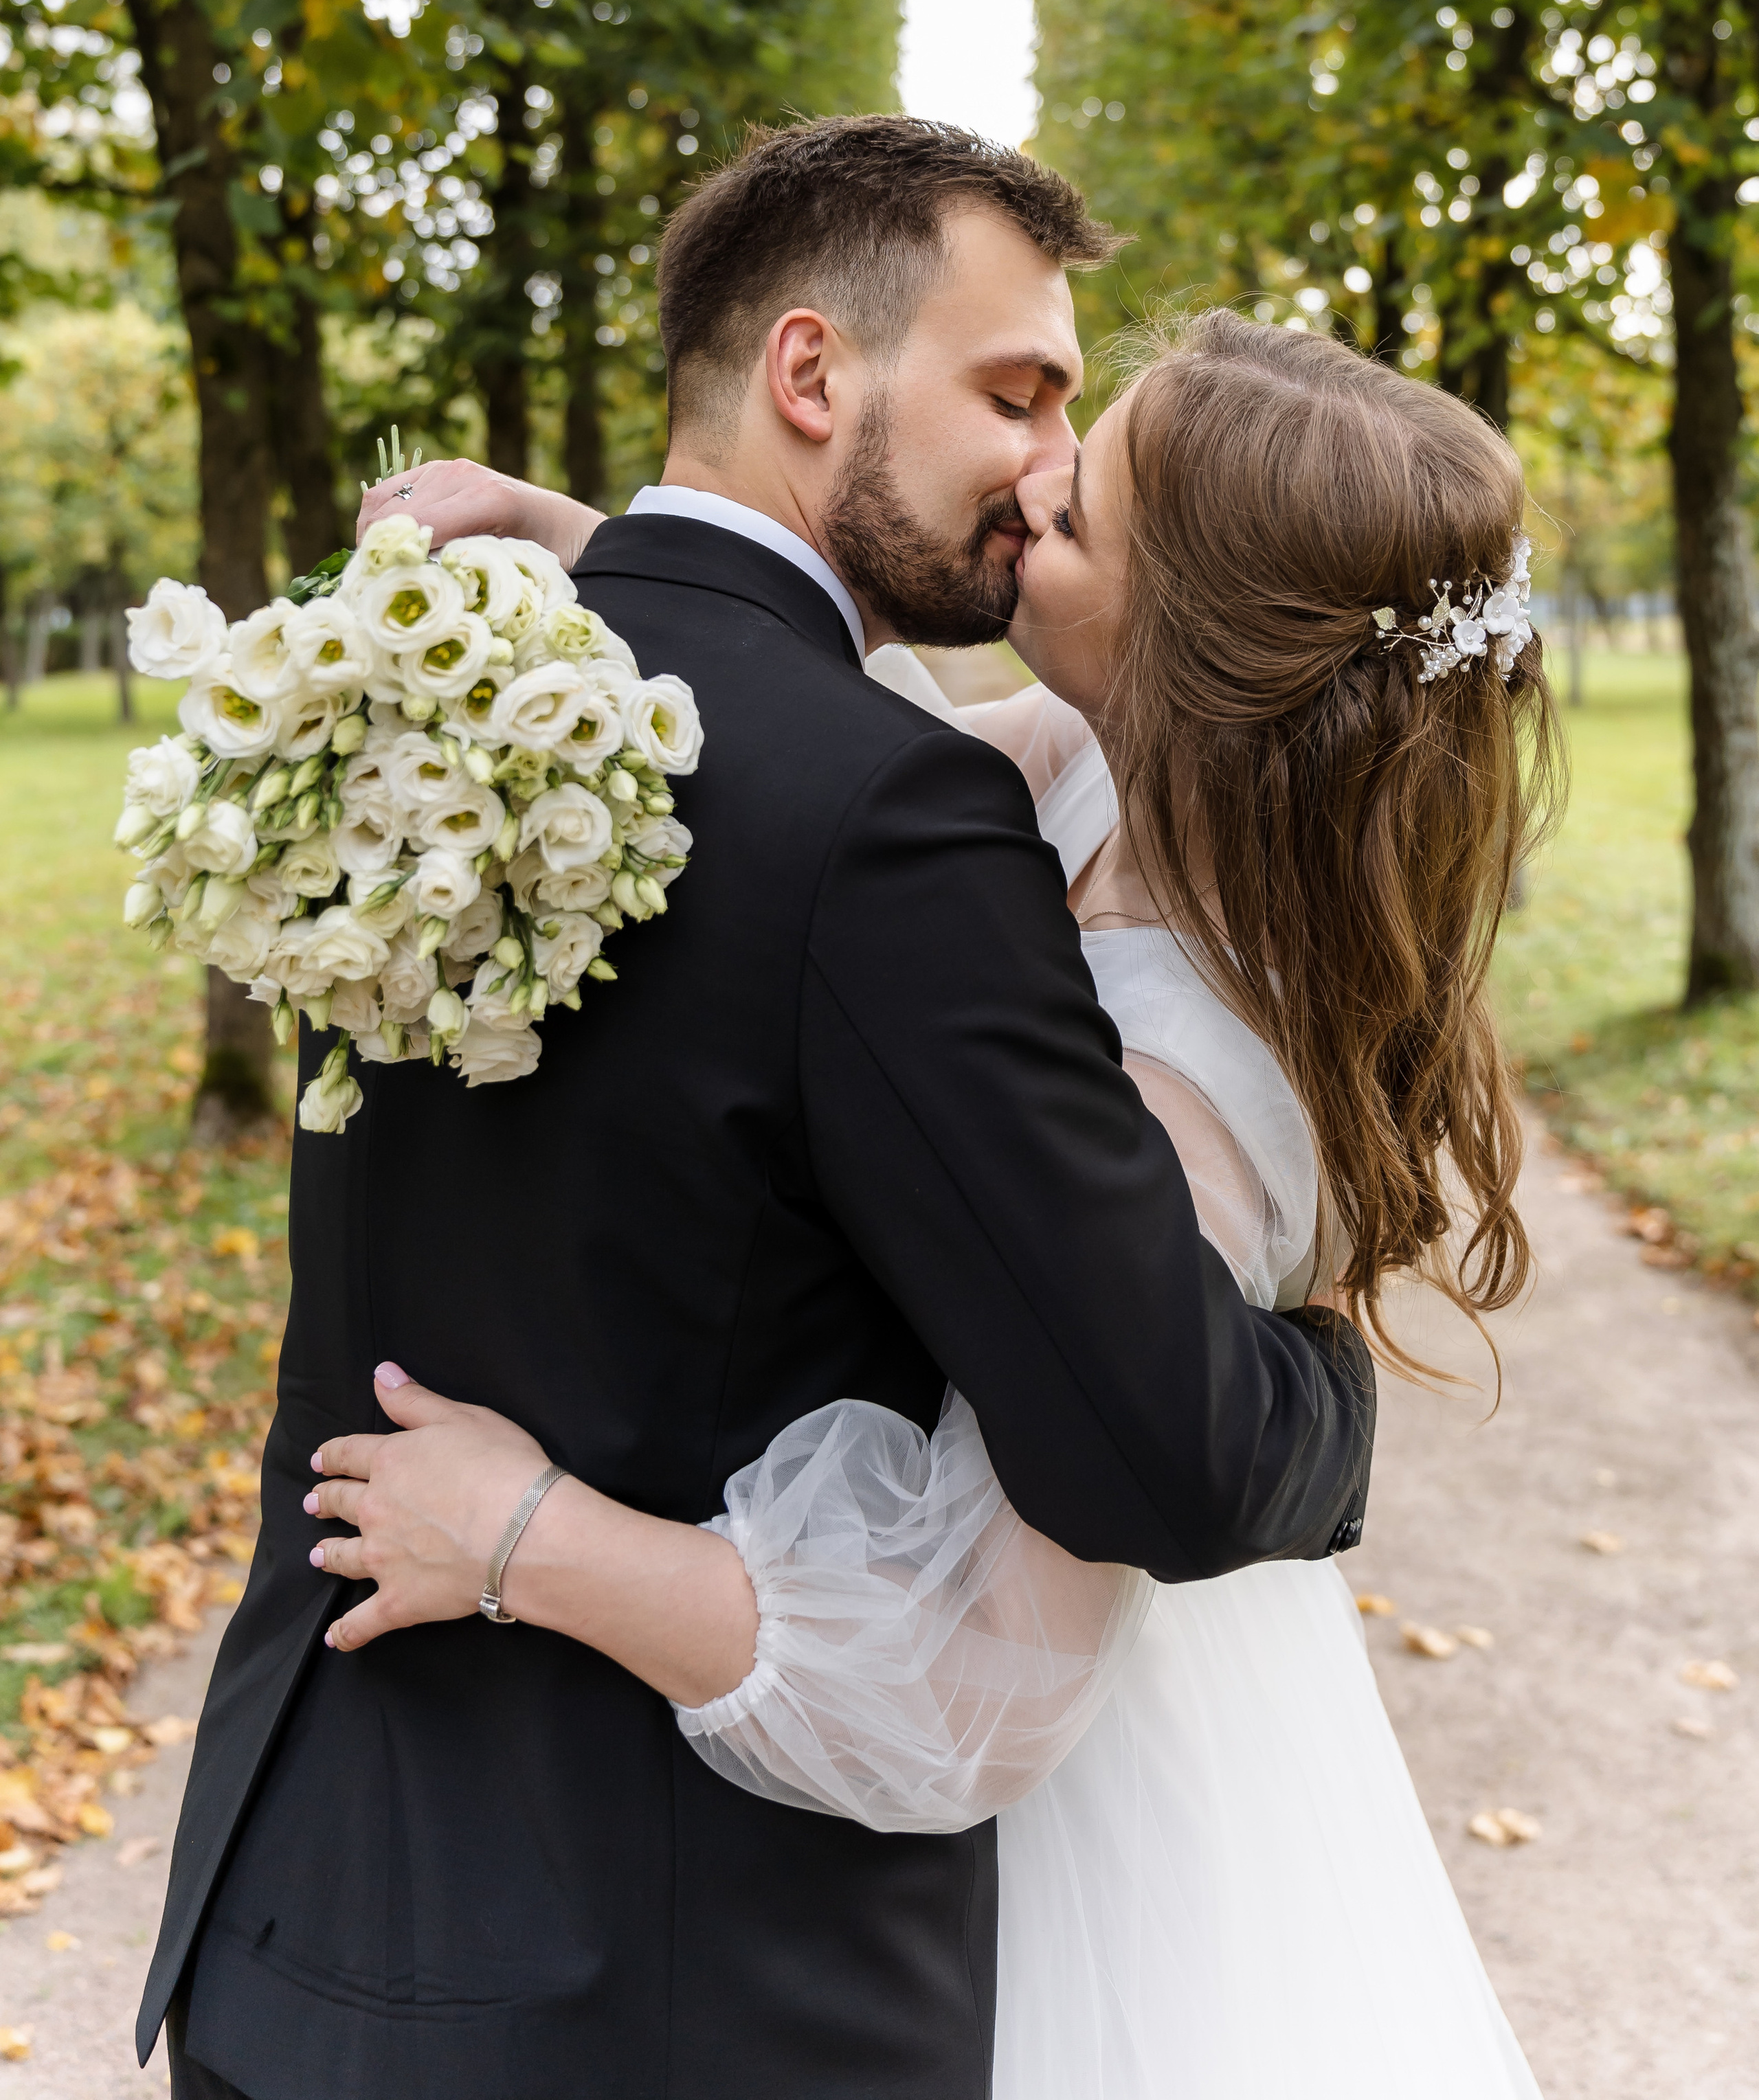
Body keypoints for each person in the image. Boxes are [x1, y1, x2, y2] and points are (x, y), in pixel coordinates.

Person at [142, 123, 1374, 2100]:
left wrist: (586, 542)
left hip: (292, 1911)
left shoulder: (415, 690)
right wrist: (1328, 1389)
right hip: (664, 1995)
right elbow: (1166, 1455)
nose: (1047, 465)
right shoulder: (898, 817)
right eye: (1018, 392)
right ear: (816, 376)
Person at [300, 308, 1560, 2096]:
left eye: (1083, 513)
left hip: (1062, 1855)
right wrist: (615, 551)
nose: (1029, 489)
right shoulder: (1134, 761)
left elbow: (976, 1682)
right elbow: (869, 747)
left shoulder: (1175, 1089)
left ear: (1193, 643)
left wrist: (524, 1537)